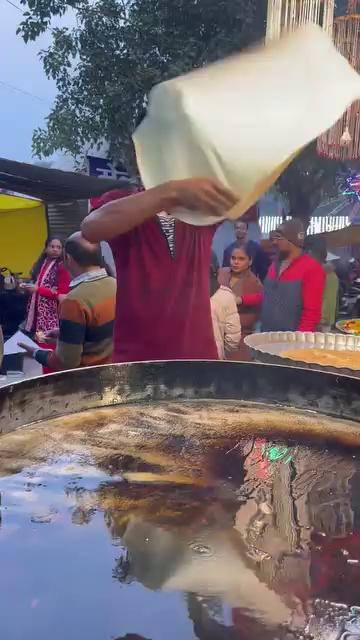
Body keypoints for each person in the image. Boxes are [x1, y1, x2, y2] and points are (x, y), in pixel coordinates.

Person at [81, 178, 238, 363]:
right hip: (137, 362)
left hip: (199, 360)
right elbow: (90, 228)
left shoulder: (200, 202)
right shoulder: (124, 200)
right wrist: (168, 192)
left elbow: (240, 191)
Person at [19, 232, 116, 371]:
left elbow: (66, 362)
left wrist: (35, 352)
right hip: (113, 371)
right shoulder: (115, 284)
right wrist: (65, 334)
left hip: (88, 378)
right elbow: (101, 332)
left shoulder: (74, 301)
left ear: (68, 258)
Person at [261, 219, 326, 333]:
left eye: (279, 238)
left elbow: (311, 313)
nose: (274, 242)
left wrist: (298, 342)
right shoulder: (274, 265)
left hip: (291, 342)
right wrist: (240, 300)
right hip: (266, 337)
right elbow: (266, 296)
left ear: (292, 241)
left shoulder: (312, 268)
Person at [218, 245, 263, 360]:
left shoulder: (254, 283)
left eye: (241, 259)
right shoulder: (221, 274)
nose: (236, 262)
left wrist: (240, 300)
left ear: (250, 261)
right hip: (214, 336)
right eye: (233, 258)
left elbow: (256, 314)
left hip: (240, 341)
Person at [22, 237, 70, 339]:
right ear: (45, 248)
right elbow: (37, 285)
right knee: (38, 339)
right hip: (36, 310)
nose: (55, 249)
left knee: (47, 342)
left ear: (62, 250)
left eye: (59, 247)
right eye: (52, 246)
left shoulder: (63, 266)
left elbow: (62, 296)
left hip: (53, 314)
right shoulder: (41, 264)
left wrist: (38, 290)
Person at [304, 236, 339, 332]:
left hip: (319, 323)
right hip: (320, 321)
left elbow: (327, 300)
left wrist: (322, 321)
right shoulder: (328, 273)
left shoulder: (326, 275)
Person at [210, 273, 241, 360]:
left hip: (184, 358)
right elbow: (233, 339)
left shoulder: (182, 292)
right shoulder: (226, 296)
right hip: (215, 356)